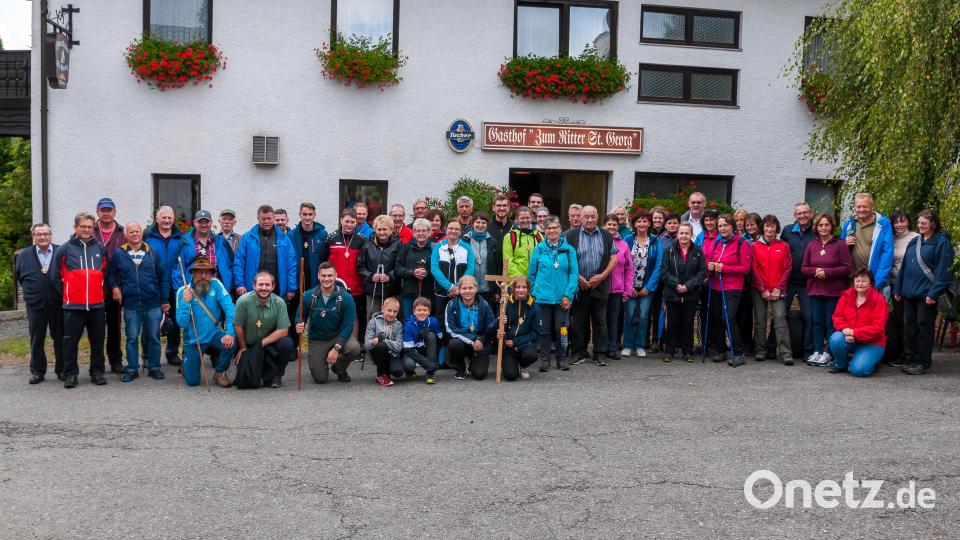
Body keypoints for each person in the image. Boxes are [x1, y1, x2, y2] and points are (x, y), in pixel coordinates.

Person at [50, 213, 109, 388]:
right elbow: (54, 277)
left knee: (98, 341)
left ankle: (97, 372)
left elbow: (105, 273)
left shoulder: (100, 248)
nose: (86, 229)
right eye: (83, 226)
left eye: (90, 227)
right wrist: (69, 294)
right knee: (70, 341)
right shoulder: (64, 249)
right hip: (73, 306)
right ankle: (70, 374)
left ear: (93, 228)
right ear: (75, 227)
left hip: (97, 305)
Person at [894, 209, 956, 375]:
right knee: (910, 327)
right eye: (919, 222)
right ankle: (911, 358)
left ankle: (923, 361)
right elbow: (904, 267)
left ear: (933, 224)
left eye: (924, 223)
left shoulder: (942, 243)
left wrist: (933, 293)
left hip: (926, 295)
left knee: (924, 327)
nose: (920, 225)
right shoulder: (915, 241)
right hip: (909, 293)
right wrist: (898, 288)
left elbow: (944, 272)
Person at [109, 221, 170, 381]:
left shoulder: (153, 253)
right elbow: (110, 274)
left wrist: (164, 299)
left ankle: (154, 367)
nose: (135, 234)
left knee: (154, 337)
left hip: (152, 303)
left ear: (142, 233)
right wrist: (115, 287)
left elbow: (164, 277)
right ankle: (132, 369)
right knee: (132, 338)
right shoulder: (119, 254)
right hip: (131, 304)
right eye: (131, 231)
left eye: (137, 231)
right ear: (125, 234)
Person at [564, 205, 618, 366]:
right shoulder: (571, 236)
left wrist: (601, 276)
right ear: (580, 218)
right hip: (579, 286)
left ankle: (600, 354)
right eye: (586, 217)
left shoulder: (607, 235)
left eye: (592, 217)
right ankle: (578, 353)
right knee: (578, 322)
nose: (589, 220)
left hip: (599, 286)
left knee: (600, 321)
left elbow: (614, 259)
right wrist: (578, 277)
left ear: (597, 217)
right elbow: (566, 259)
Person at [296, 263, 362, 384]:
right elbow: (300, 316)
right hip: (317, 339)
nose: (326, 279)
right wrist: (299, 325)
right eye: (323, 275)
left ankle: (339, 368)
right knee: (320, 379)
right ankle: (321, 362)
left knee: (354, 348)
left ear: (335, 276)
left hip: (338, 336)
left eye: (330, 275)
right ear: (318, 276)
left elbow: (348, 326)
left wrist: (336, 348)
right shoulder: (308, 296)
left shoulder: (346, 298)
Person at [175, 257, 236, 387]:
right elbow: (182, 323)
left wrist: (230, 332)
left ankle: (219, 373)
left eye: (207, 273)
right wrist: (186, 302)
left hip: (214, 333)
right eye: (199, 272)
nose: (203, 276)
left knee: (231, 343)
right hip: (194, 338)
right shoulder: (182, 291)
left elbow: (230, 309)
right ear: (193, 273)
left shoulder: (216, 284)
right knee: (193, 382)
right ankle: (187, 364)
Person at [15, 224, 63, 384]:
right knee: (37, 339)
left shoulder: (60, 251)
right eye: (38, 234)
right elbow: (20, 276)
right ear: (33, 237)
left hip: (58, 303)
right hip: (36, 305)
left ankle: (62, 370)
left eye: (46, 234)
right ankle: (37, 371)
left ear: (51, 235)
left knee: (61, 338)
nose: (42, 237)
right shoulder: (23, 256)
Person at [801, 213, 852, 366]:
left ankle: (828, 353)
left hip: (833, 291)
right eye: (821, 225)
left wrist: (827, 272)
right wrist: (815, 271)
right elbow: (804, 268)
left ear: (831, 226)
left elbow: (847, 268)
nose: (823, 228)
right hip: (815, 290)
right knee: (817, 322)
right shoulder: (812, 244)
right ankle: (817, 351)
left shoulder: (840, 244)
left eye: (826, 225)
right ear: (816, 227)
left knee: (831, 323)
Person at [528, 217, 578, 371]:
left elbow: (574, 274)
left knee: (561, 330)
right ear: (544, 230)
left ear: (560, 229)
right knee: (544, 330)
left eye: (555, 228)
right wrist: (534, 293)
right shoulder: (539, 249)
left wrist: (568, 295)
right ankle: (545, 360)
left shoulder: (569, 250)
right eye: (548, 228)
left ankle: (561, 359)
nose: (552, 231)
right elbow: (532, 274)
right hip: (542, 298)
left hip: (562, 298)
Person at [703, 214, 753, 366]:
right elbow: (711, 259)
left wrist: (725, 268)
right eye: (720, 226)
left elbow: (745, 268)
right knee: (716, 317)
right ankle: (720, 350)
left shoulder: (742, 243)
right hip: (716, 285)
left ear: (732, 226)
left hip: (732, 287)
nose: (722, 228)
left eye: (725, 225)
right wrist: (710, 266)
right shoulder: (717, 242)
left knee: (728, 318)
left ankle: (738, 351)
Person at [145, 206, 189, 366]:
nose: (166, 220)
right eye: (163, 217)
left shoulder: (181, 238)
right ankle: (148, 354)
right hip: (153, 283)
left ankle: (172, 352)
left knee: (175, 321)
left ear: (173, 219)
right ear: (157, 219)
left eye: (169, 217)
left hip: (175, 284)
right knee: (151, 319)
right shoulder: (147, 236)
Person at [233, 272, 293, 388]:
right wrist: (242, 347)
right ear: (254, 286)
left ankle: (277, 375)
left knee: (287, 344)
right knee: (246, 382)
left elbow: (283, 330)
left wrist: (261, 344)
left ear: (273, 286)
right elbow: (238, 325)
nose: (264, 288)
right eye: (260, 284)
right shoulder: (243, 301)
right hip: (248, 345)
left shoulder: (279, 302)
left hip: (268, 345)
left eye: (267, 285)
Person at [828, 268, 889, 377]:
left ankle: (871, 361)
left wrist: (854, 332)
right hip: (851, 338)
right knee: (836, 338)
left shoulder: (879, 300)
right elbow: (837, 317)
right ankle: (840, 364)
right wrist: (846, 331)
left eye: (864, 281)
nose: (860, 284)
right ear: (853, 282)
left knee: (858, 370)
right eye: (857, 281)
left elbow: (878, 328)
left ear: (871, 283)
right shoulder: (846, 296)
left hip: (873, 342)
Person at [750, 215, 794, 365]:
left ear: (777, 228)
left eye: (772, 227)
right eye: (767, 226)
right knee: (760, 320)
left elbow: (788, 268)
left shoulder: (784, 246)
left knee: (780, 319)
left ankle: (785, 352)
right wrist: (762, 289)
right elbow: (753, 269)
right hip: (759, 289)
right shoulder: (754, 246)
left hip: (778, 290)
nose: (769, 229)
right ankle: (761, 350)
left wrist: (778, 288)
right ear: (763, 228)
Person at [660, 222, 707, 362]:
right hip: (672, 292)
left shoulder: (698, 251)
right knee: (672, 323)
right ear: (678, 234)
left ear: (691, 234)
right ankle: (669, 351)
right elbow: (664, 272)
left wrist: (687, 286)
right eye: (681, 233)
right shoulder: (669, 250)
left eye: (687, 233)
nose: (684, 236)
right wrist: (676, 285)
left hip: (690, 293)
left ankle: (688, 352)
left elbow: (702, 273)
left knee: (688, 323)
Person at [233, 205, 297, 301]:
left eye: (269, 218)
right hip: (252, 290)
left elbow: (291, 265)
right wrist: (240, 284)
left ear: (273, 218)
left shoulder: (284, 239)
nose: (266, 221)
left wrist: (291, 288)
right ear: (258, 219)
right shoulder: (247, 238)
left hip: (277, 290)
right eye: (263, 219)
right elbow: (239, 262)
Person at [318, 208, 368, 327]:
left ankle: (354, 342)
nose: (349, 225)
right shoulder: (331, 238)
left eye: (352, 222)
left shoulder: (362, 240)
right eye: (347, 221)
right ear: (341, 220)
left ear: (356, 222)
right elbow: (323, 262)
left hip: (356, 288)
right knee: (334, 314)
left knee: (354, 315)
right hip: (334, 286)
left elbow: (365, 263)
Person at [780, 202, 816, 361]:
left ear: (811, 213)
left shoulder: (816, 230)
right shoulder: (787, 231)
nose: (802, 216)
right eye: (799, 213)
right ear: (794, 216)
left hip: (807, 282)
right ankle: (775, 347)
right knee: (780, 314)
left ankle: (808, 351)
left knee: (809, 316)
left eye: (805, 213)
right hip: (788, 280)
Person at [882, 211, 919, 366]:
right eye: (896, 222)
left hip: (912, 286)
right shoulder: (891, 239)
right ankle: (902, 354)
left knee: (911, 321)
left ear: (908, 222)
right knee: (899, 321)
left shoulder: (916, 238)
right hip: (895, 285)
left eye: (902, 221)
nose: (899, 225)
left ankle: (913, 355)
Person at [622, 212, 661, 358]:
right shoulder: (628, 240)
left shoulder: (655, 241)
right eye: (639, 221)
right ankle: (627, 345)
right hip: (630, 286)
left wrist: (649, 287)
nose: (642, 224)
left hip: (647, 287)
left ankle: (640, 345)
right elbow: (624, 264)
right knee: (630, 315)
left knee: (643, 316)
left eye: (645, 221)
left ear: (649, 224)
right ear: (634, 224)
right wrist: (628, 286)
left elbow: (658, 266)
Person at [288, 202, 328, 340]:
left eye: (310, 214)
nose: (307, 217)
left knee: (318, 314)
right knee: (296, 314)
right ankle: (294, 345)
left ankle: (317, 343)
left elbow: (325, 259)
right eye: (304, 214)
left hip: (316, 282)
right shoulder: (292, 235)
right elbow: (290, 260)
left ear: (314, 215)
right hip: (298, 282)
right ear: (300, 215)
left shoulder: (322, 234)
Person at [93, 197, 125, 374]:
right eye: (103, 210)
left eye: (109, 210)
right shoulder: (90, 230)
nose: (106, 213)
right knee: (96, 328)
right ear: (98, 212)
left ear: (114, 212)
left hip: (115, 288)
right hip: (93, 288)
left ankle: (116, 360)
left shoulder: (122, 233)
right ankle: (96, 362)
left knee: (114, 327)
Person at [444, 275, 497, 380]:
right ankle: (461, 368)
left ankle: (472, 362)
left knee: (479, 374)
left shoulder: (484, 305)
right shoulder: (451, 305)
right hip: (462, 341)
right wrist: (473, 340)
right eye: (464, 288)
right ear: (459, 290)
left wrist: (481, 339)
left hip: (480, 343)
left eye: (470, 288)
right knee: (454, 344)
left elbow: (490, 327)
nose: (467, 291)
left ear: (476, 289)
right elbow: (450, 328)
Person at [840, 193, 894, 290]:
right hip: (853, 279)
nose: (861, 210)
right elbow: (840, 251)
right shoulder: (849, 224)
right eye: (858, 207)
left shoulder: (882, 224)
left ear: (872, 207)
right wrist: (844, 244)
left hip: (873, 279)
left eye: (865, 206)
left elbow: (887, 253)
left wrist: (878, 281)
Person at [174, 210, 233, 290]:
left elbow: (231, 266)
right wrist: (181, 293)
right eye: (200, 222)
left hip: (216, 292)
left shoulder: (221, 242)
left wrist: (228, 289)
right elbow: (177, 272)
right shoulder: (185, 242)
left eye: (207, 222)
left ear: (211, 222)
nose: (204, 225)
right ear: (194, 222)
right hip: (193, 291)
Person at [430, 220, 474, 327]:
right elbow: (434, 268)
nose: (453, 231)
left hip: (460, 291)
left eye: (457, 229)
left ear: (461, 232)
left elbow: (470, 269)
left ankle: (455, 343)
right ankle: (441, 342)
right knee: (440, 318)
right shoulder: (438, 247)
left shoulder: (466, 247)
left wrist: (458, 287)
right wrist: (449, 287)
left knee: (458, 319)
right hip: (441, 291)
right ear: (446, 229)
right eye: (451, 228)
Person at [358, 215, 401, 321]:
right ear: (375, 229)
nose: (382, 232)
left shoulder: (398, 244)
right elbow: (360, 266)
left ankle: (390, 338)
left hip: (391, 289)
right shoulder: (367, 243)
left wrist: (390, 276)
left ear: (391, 229)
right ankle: (371, 338)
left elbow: (400, 265)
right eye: (379, 229)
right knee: (373, 317)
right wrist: (370, 276)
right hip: (373, 289)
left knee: (391, 318)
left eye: (385, 229)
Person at [603, 213, 634, 359]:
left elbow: (629, 269)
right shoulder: (599, 241)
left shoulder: (624, 245)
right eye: (609, 224)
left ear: (618, 227)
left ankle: (612, 348)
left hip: (617, 289)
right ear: (604, 226)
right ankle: (600, 348)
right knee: (600, 319)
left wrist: (627, 290)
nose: (611, 227)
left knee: (613, 320)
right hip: (600, 288)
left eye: (614, 225)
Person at [498, 276, 540, 381]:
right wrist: (501, 331)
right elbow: (494, 327)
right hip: (508, 346)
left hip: (524, 344)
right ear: (513, 288)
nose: (521, 290)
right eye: (518, 287)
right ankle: (510, 364)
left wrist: (515, 342)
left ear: (528, 289)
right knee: (510, 376)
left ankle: (523, 365)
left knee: (532, 355)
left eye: (524, 287)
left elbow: (535, 332)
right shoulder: (506, 304)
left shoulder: (534, 306)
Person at [395, 219, 435, 319]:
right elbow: (398, 269)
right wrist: (411, 272)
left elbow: (439, 270)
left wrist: (427, 273)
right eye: (418, 231)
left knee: (427, 322)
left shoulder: (434, 249)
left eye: (424, 230)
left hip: (428, 293)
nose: (421, 233)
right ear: (413, 232)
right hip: (409, 294)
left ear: (429, 232)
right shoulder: (406, 248)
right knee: (408, 321)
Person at [364, 297, 407, 387]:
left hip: (392, 354)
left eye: (395, 311)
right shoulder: (373, 322)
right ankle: (381, 374)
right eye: (389, 310)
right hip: (377, 352)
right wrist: (375, 342)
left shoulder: (398, 325)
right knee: (381, 346)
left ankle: (387, 371)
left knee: (398, 372)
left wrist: (383, 340)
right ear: (383, 309)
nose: (391, 314)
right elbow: (367, 345)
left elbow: (399, 346)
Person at [402, 296, 442, 384]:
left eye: (425, 310)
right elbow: (409, 350)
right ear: (414, 311)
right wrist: (429, 364)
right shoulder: (409, 325)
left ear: (429, 311)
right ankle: (410, 371)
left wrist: (429, 333)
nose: (422, 312)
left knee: (431, 335)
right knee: (409, 365)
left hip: (427, 349)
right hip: (413, 351)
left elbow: (440, 339)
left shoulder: (434, 321)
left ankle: (430, 374)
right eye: (419, 310)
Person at [467, 212, 503, 308]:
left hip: (487, 289)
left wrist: (497, 291)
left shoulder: (492, 242)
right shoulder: (465, 240)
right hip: (468, 289)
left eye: (483, 222)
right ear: (472, 224)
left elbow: (497, 266)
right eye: (477, 222)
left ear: (487, 225)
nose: (480, 225)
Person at [503, 206, 543, 277]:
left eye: (527, 218)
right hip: (516, 282)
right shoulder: (510, 237)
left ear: (531, 218)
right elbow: (508, 261)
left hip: (535, 280)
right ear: (516, 220)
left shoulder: (538, 235)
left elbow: (543, 257)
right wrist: (519, 277)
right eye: (522, 218)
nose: (525, 220)